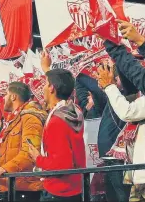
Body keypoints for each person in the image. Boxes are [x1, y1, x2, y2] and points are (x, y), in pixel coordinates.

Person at [28, 69, 86, 202]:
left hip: (58, 191)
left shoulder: (56, 121)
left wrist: (38, 158)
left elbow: (62, 165)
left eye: (45, 83)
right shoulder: (73, 111)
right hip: (74, 188)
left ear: (52, 88)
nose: (42, 88)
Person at [97, 61, 145, 200]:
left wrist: (110, 86)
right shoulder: (125, 97)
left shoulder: (129, 98)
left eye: (116, 78)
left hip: (130, 167)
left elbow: (127, 112)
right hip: (131, 168)